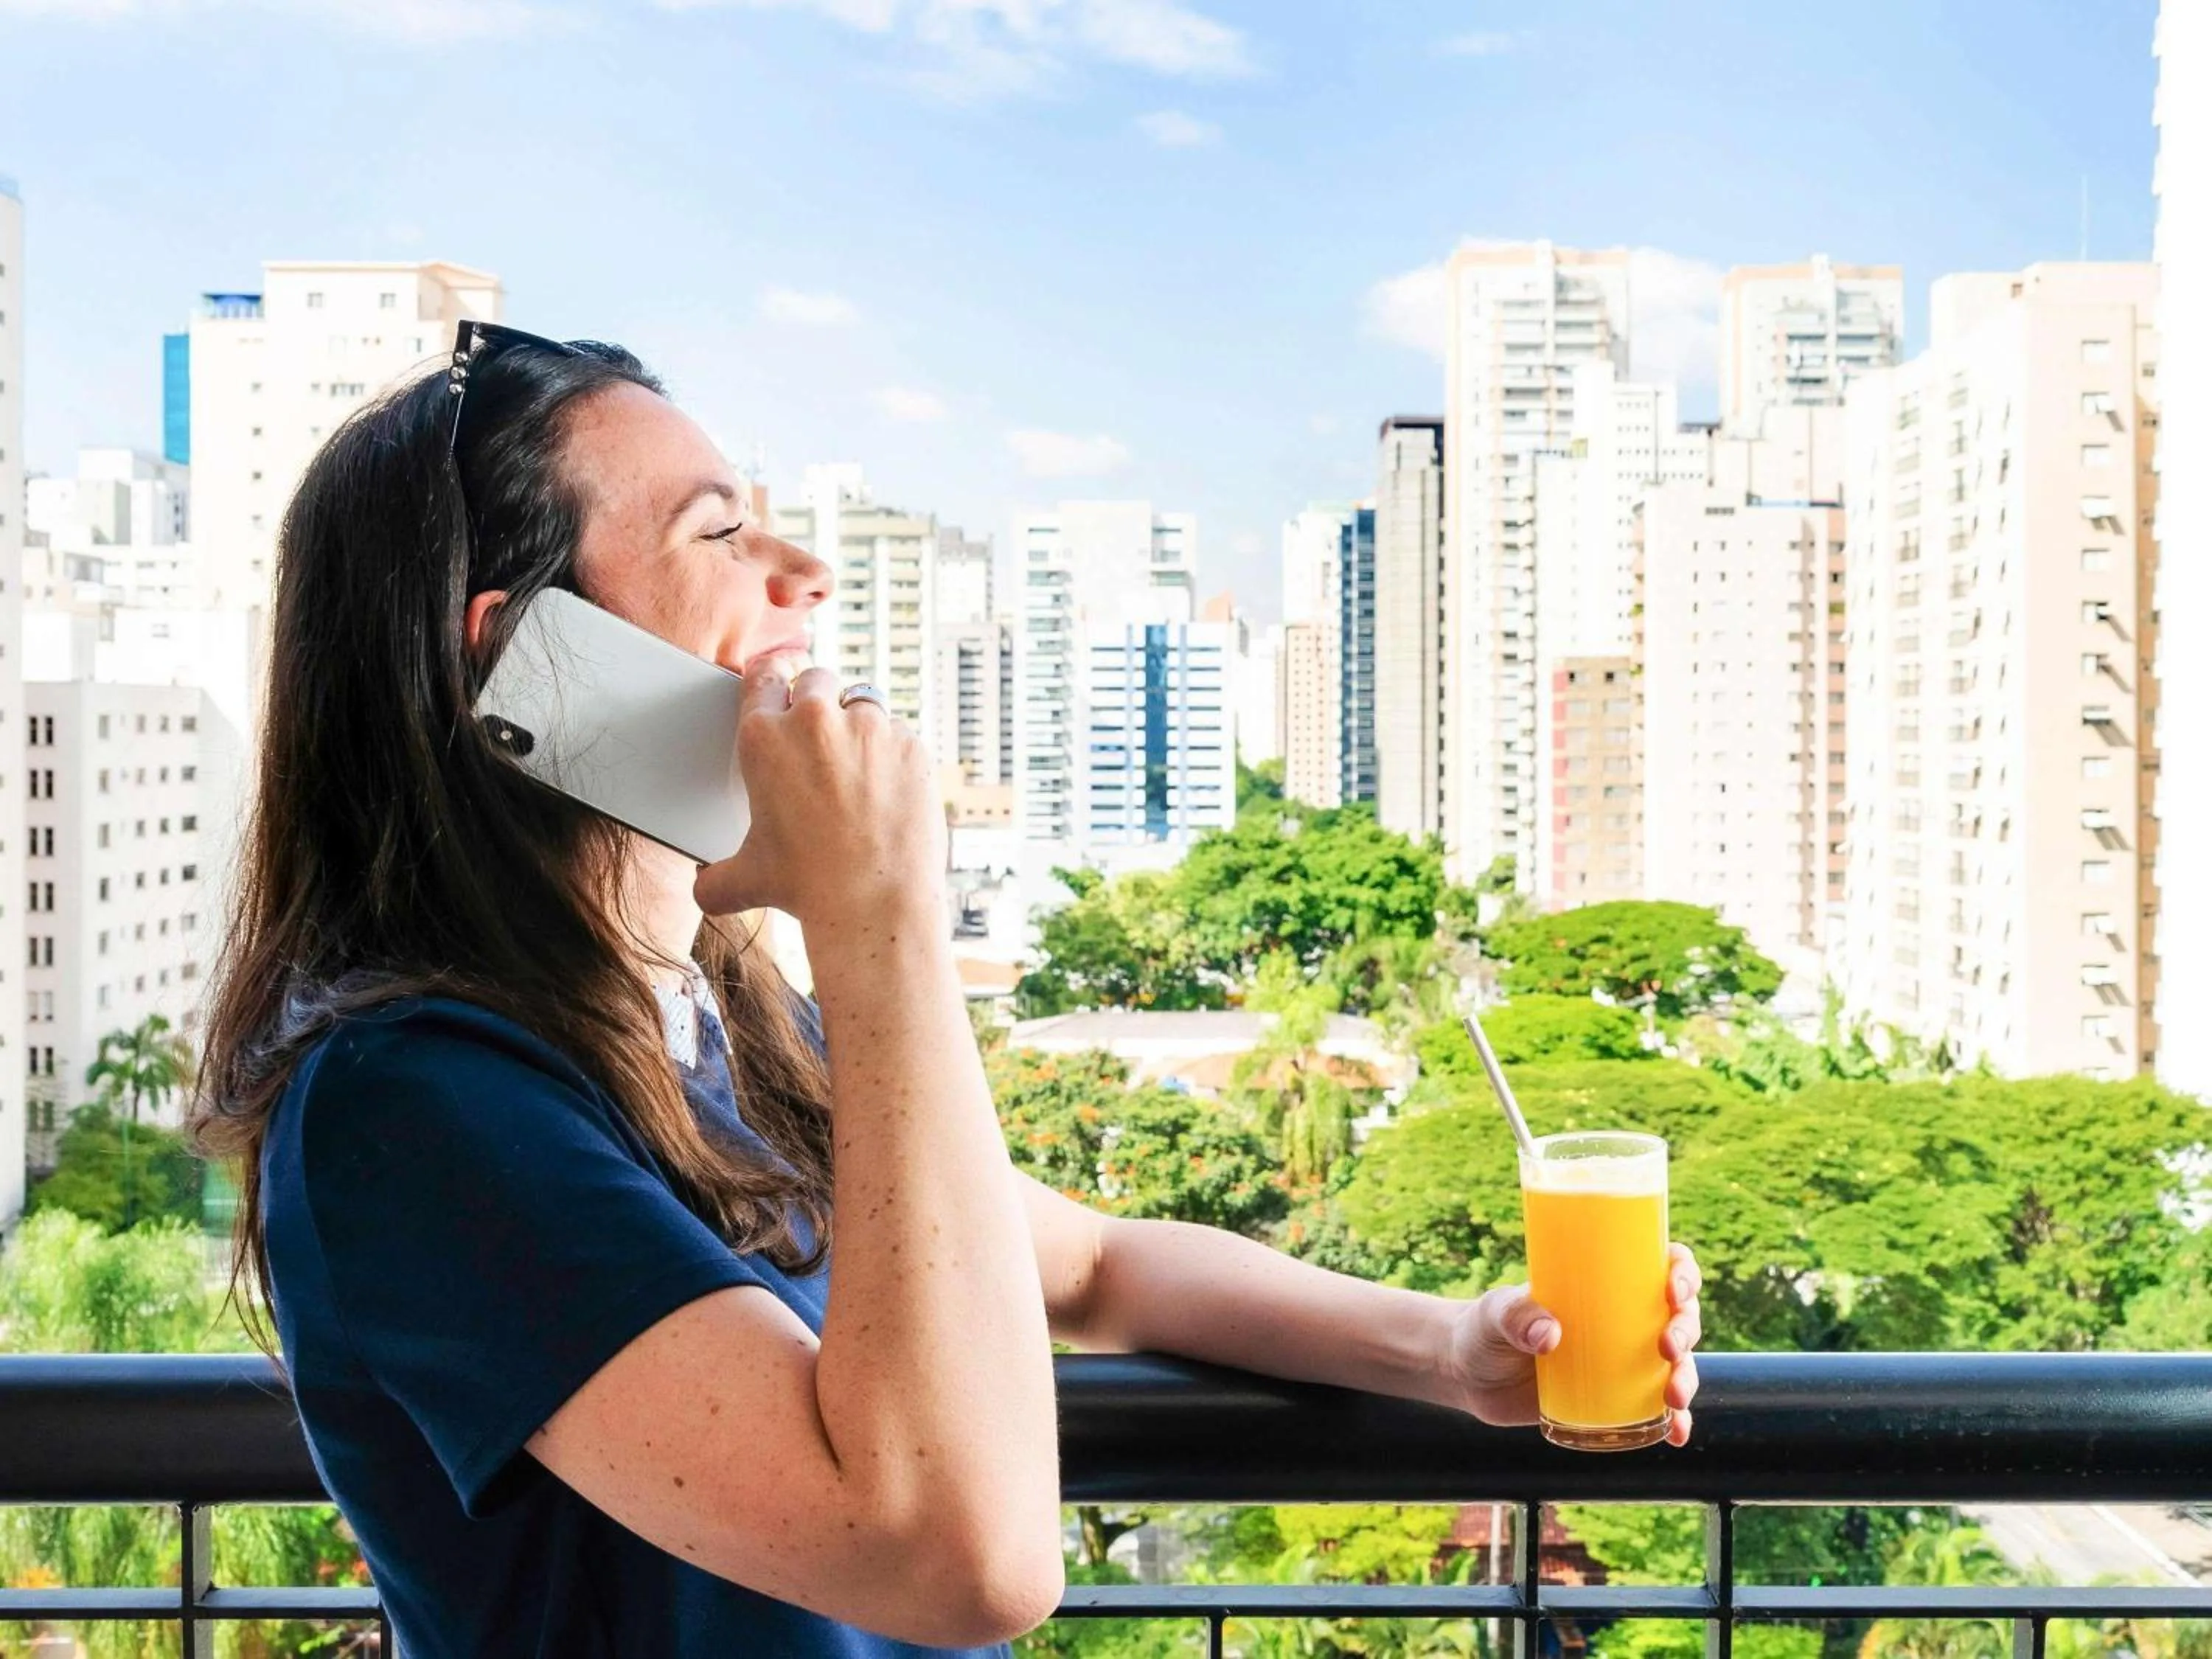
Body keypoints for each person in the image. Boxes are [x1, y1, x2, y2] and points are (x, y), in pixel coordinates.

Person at [189, 324, 1703, 1659]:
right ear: (527, 662)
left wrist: (1457, 1354)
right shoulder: (418, 1101)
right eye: (720, 539)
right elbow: (957, 1560)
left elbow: (1094, 1268)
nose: (807, 576)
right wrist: (878, 908)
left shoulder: (720, 1025)